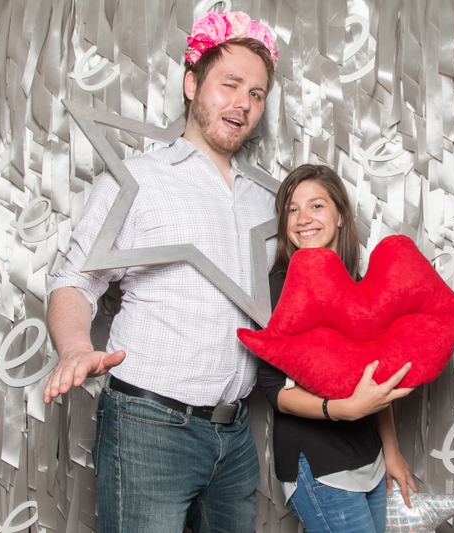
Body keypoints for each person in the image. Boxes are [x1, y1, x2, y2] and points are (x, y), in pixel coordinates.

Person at [43, 12, 278, 533]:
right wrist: (75, 348)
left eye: (257, 94)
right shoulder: (136, 181)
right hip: (148, 426)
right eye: (230, 84)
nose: (243, 103)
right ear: (192, 84)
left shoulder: (268, 200)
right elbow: (75, 281)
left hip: (235, 434)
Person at [258, 165, 419, 533]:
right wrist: (343, 410)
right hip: (320, 468)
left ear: (341, 214)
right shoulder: (279, 288)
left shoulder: (358, 283)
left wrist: (391, 450)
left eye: (316, 205)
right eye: (292, 209)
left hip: (370, 459)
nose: (303, 219)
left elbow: (377, 376)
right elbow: (275, 392)